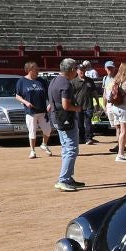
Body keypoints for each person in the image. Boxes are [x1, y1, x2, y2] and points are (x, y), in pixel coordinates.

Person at [47, 58, 84, 191]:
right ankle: (64, 179)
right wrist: (78, 108)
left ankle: (67, 177)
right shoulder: (66, 84)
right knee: (71, 149)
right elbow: (66, 105)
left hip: (57, 118)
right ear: (72, 70)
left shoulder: (54, 81)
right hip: (65, 119)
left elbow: (51, 104)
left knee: (66, 148)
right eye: (76, 68)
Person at [16, 60, 50, 158]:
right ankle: (32, 150)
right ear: (30, 70)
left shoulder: (42, 81)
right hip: (30, 112)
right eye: (36, 68)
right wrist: (26, 102)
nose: (38, 70)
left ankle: (44, 144)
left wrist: (49, 104)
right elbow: (17, 96)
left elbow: (48, 95)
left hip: (43, 111)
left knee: (47, 130)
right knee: (32, 131)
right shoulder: (22, 81)